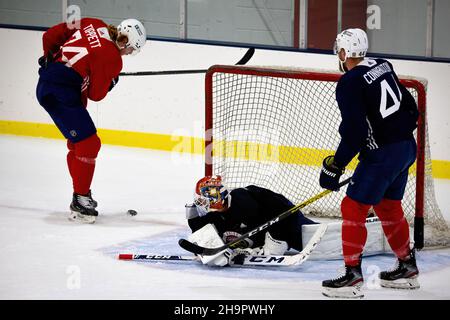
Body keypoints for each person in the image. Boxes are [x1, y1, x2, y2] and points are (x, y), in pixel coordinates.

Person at [319, 28, 420, 298]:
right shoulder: (383, 65)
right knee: (387, 206)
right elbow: (411, 106)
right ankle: (407, 266)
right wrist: (397, 136)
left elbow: (356, 133)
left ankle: (352, 277)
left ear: (342, 52)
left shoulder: (349, 82)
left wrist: (335, 164)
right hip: (407, 147)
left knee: (352, 207)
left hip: (382, 155)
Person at [36, 18, 147, 223]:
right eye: (131, 49)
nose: (129, 53)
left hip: (50, 83)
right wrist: (112, 81)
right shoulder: (113, 58)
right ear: (124, 42)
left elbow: (49, 36)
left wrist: (48, 57)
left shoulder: (93, 23)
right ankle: (81, 199)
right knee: (89, 143)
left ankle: (80, 194)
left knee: (79, 143)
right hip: (61, 91)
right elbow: (96, 94)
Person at [185, 175, 317, 266]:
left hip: (289, 222)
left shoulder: (243, 200)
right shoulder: (214, 215)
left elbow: (281, 213)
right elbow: (204, 240)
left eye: (203, 200)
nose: (201, 204)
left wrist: (275, 242)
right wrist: (193, 221)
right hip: (270, 225)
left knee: (312, 241)